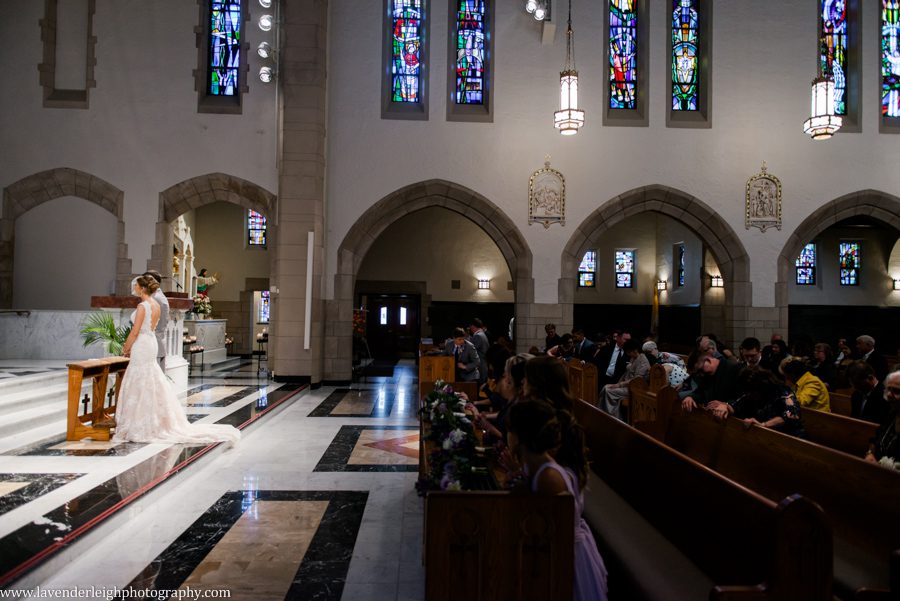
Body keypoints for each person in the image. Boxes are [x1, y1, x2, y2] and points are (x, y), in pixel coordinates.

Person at [114, 275, 240, 445]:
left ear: (142, 288)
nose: (134, 288)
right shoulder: (156, 304)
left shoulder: (142, 306)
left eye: (136, 285)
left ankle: (139, 422)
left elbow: (135, 332)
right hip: (150, 342)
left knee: (139, 378)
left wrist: (125, 348)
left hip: (142, 343)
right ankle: (152, 419)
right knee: (150, 377)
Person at [507, 400, 608, 601]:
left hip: (564, 556)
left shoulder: (549, 477)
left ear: (519, 437)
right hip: (555, 549)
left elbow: (542, 528)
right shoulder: (537, 466)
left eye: (509, 429)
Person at [728, 368, 805, 438]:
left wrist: (763, 425)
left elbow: (791, 415)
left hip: (789, 437)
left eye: (751, 392)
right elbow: (736, 404)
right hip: (766, 437)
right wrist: (725, 407)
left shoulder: (783, 391)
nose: (749, 395)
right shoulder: (752, 392)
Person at [600, 339, 650, 421]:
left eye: (629, 351)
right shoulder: (633, 358)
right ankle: (602, 412)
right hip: (626, 385)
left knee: (609, 390)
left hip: (634, 389)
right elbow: (626, 374)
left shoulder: (643, 361)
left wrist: (619, 385)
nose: (627, 354)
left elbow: (637, 380)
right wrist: (618, 383)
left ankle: (612, 417)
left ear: (635, 350)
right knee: (606, 387)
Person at [865, 369, 900, 465]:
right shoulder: (892, 412)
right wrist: (870, 453)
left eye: (897, 391)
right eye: (888, 389)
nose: (889, 395)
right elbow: (876, 439)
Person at [142, 270, 169, 370]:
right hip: (158, 342)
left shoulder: (155, 298)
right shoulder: (158, 296)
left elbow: (149, 325)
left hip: (153, 344)